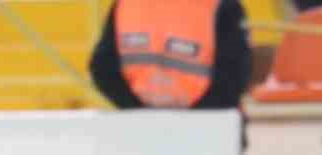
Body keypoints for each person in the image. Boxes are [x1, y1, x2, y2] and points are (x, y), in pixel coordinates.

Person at [88, 0, 253, 110]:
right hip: (208, 133)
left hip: (145, 133)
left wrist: (139, 111)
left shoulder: (127, 4)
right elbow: (235, 76)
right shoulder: (221, 5)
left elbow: (103, 69)